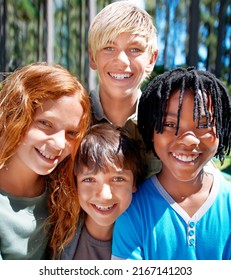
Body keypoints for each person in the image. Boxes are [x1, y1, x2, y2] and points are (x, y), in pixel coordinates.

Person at [112, 67, 231, 260]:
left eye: (203, 125)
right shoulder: (133, 210)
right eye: (169, 124)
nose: (188, 140)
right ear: (150, 130)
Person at [0, 62, 91, 260]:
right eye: (45, 123)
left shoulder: (64, 193)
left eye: (71, 133)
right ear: (14, 115)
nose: (59, 143)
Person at [88, 1, 161, 177]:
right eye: (109, 47)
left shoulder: (165, 124)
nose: (121, 60)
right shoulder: (72, 119)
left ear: (151, 59)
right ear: (92, 57)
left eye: (134, 49)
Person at [59, 122, 144, 259]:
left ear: (134, 183)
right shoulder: (56, 235)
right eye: (89, 180)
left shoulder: (145, 240)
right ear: (75, 184)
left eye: (117, 179)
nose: (105, 196)